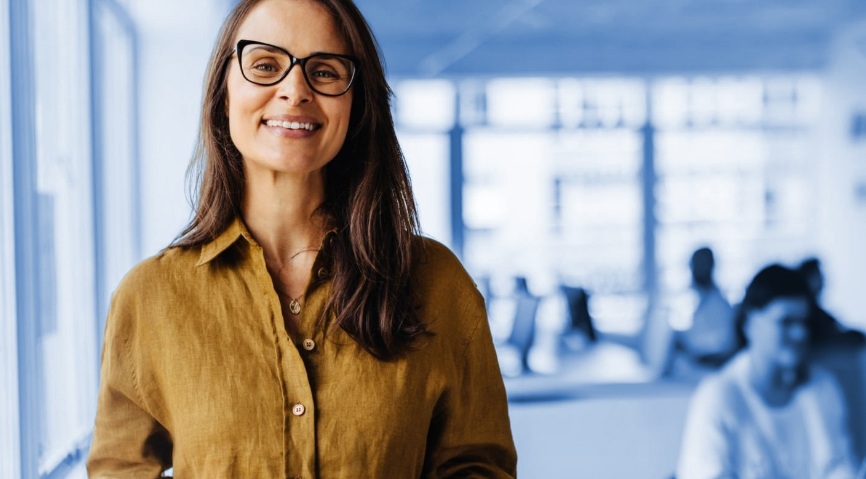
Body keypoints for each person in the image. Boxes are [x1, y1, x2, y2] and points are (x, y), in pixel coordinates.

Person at [86, 1, 517, 477]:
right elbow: (120, 468)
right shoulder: (150, 298)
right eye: (265, 65)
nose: (295, 90)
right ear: (223, 91)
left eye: (325, 71)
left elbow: (479, 465)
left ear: (355, 104)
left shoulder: (436, 281)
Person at [677, 264, 858, 479]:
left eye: (804, 322)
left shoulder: (821, 386)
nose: (800, 333)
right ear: (750, 321)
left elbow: (841, 467)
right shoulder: (718, 396)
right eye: (786, 321)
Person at [675, 247, 737, 367]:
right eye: (695, 265)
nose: (696, 269)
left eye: (701, 265)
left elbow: (721, 345)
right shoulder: (697, 300)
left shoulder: (719, 305)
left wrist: (684, 343)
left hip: (709, 366)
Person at [797, 257, 866, 348]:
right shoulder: (807, 315)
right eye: (818, 276)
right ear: (807, 279)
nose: (823, 280)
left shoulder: (822, 315)